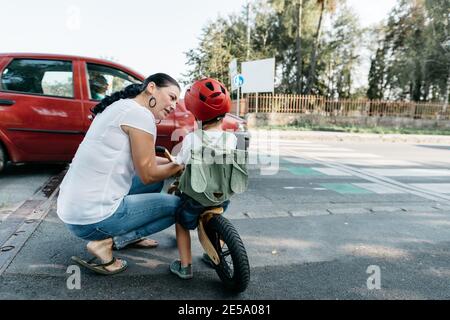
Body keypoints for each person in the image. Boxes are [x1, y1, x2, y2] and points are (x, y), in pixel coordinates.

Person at [57, 73, 184, 275]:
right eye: (172, 97)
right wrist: (181, 165)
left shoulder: (121, 106)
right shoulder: (141, 116)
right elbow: (149, 173)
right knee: (180, 207)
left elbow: (145, 161)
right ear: (151, 88)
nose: (174, 105)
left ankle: (129, 236)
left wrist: (174, 161)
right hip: (92, 219)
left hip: (74, 210)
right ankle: (109, 242)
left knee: (152, 188)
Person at [169, 78, 237, 279]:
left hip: (196, 198)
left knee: (181, 221)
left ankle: (185, 266)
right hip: (221, 197)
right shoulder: (231, 138)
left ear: (197, 113)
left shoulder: (192, 138)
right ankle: (215, 248)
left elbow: (180, 163)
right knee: (218, 214)